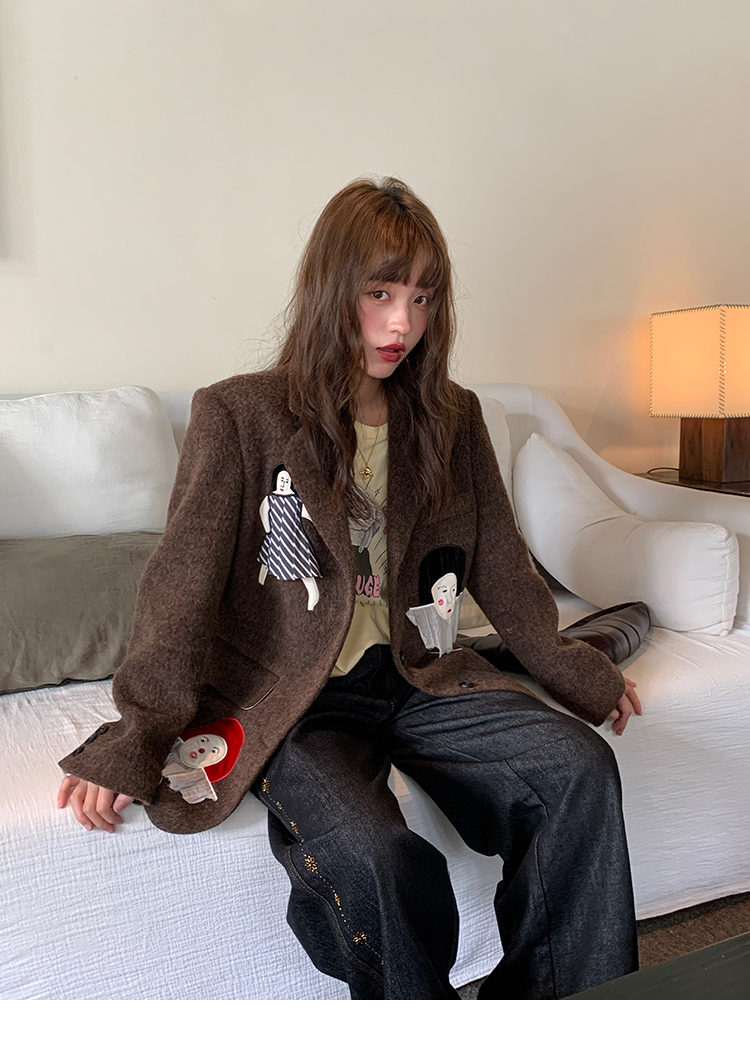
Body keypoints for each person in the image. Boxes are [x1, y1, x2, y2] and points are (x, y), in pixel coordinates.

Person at [57, 176, 642, 1000]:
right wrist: (136, 735)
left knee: (578, 770)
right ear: (332, 288)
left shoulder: (453, 418)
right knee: (371, 855)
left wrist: (583, 672)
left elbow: (505, 569)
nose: (402, 323)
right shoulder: (240, 415)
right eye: (380, 293)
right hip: (298, 698)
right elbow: (179, 588)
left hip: (419, 675)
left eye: (422, 298)